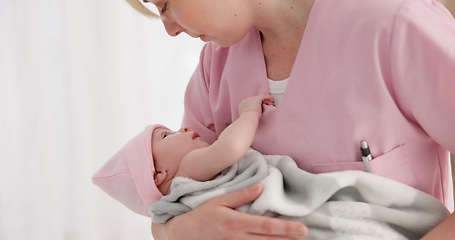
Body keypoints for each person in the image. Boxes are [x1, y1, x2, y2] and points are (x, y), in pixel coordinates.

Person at [123, 0, 455, 239]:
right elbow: (173, 196)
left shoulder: (395, 23)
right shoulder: (216, 67)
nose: (169, 30)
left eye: (164, 5)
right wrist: (176, 233)